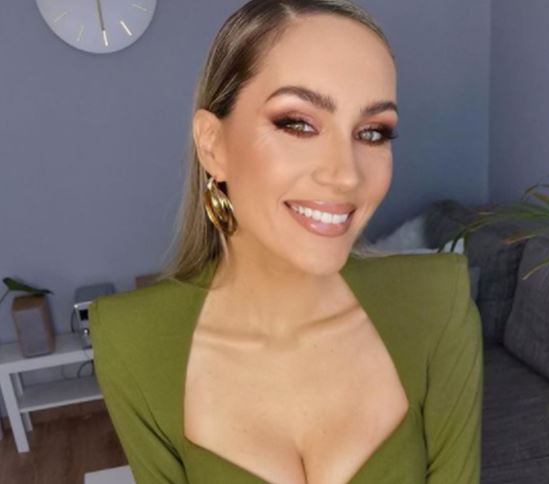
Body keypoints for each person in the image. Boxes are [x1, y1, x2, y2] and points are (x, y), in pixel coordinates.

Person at [88, 1, 483, 483]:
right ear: (213, 145)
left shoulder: (435, 303)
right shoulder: (132, 341)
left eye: (372, 132)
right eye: (298, 123)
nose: (346, 175)